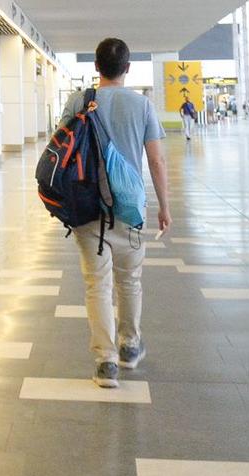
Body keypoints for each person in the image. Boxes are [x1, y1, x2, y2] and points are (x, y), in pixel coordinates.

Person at [59, 37, 171, 389]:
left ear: (95, 67)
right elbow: (156, 159)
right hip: (129, 207)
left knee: (97, 284)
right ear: (127, 68)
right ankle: (130, 346)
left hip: (88, 205)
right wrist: (165, 207)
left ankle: (105, 362)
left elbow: (61, 147)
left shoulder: (79, 101)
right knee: (129, 280)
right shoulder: (142, 105)